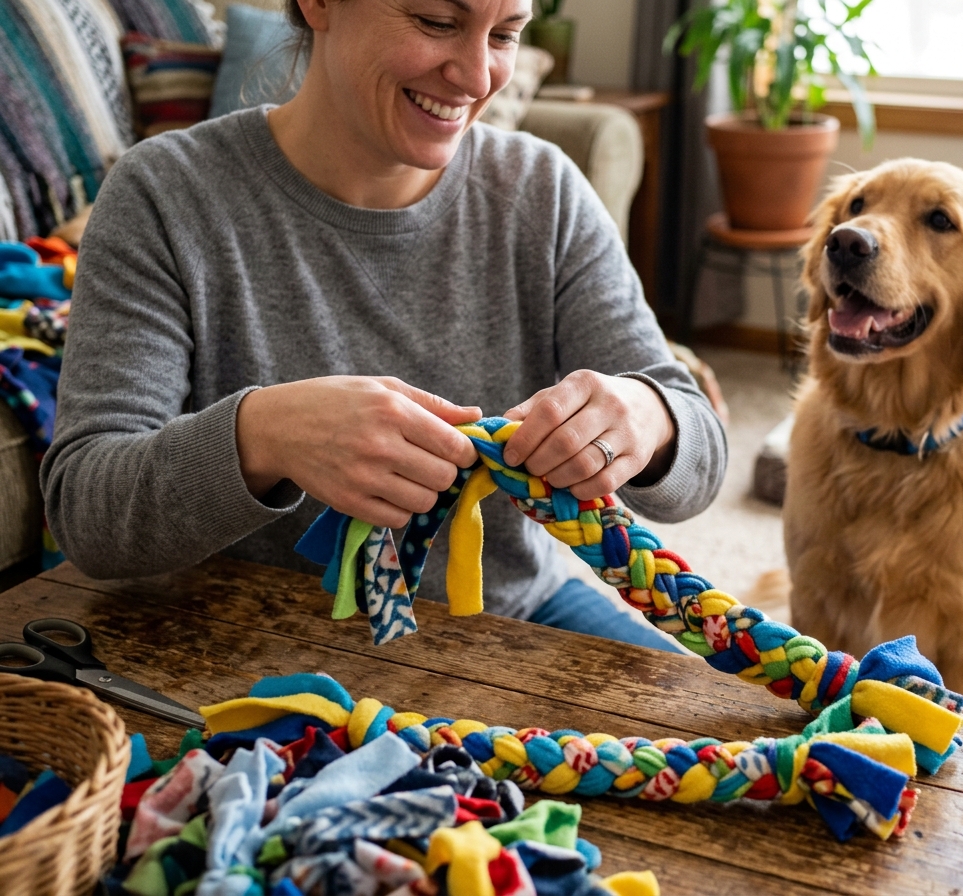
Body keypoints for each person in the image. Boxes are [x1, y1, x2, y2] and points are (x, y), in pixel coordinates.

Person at [41, 0, 727, 652]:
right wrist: (264, 436)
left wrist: (648, 415)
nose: (478, 75)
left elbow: (699, 454)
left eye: (506, 33)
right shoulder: (164, 197)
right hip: (250, 637)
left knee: (787, 761)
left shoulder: (542, 193)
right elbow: (88, 514)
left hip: (515, 614)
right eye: (436, 21)